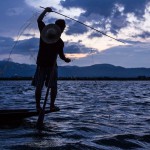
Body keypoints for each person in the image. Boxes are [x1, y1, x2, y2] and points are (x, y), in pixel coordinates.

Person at [32, 7, 71, 112]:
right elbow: (39, 20)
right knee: (44, 86)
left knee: (51, 86)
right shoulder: (45, 33)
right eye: (63, 28)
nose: (63, 30)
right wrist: (45, 10)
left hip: (51, 66)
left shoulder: (59, 42)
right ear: (61, 28)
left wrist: (65, 59)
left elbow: (61, 56)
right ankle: (42, 106)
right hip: (42, 65)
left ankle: (47, 106)